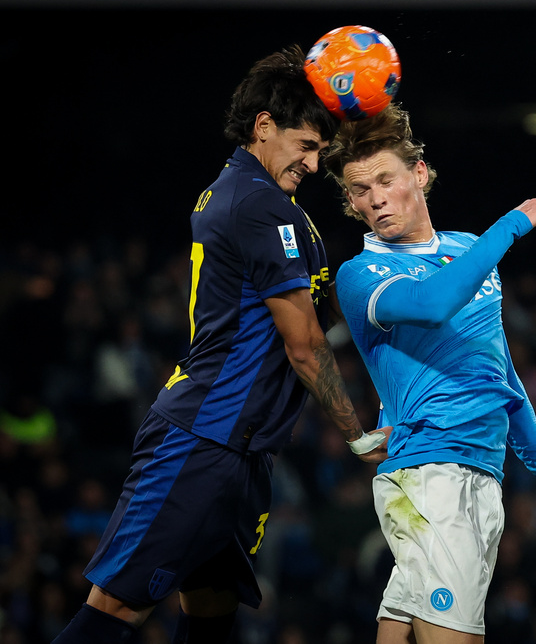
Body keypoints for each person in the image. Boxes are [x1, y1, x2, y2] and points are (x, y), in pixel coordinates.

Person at [52, 45, 390, 644]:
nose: (314, 164)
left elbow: (319, 308)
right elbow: (305, 344)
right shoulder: (258, 205)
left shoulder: (264, 200)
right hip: (201, 438)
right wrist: (359, 436)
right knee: (116, 608)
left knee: (210, 607)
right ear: (265, 126)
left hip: (241, 449)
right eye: (307, 146)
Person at [322, 102, 536, 644]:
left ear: (419, 174)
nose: (374, 199)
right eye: (358, 190)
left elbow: (502, 382)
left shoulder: (468, 254)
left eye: (385, 180)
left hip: (475, 471)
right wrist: (514, 222)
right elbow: (435, 302)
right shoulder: (363, 273)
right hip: (433, 474)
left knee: (402, 631)